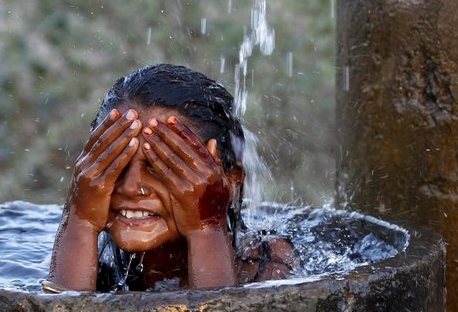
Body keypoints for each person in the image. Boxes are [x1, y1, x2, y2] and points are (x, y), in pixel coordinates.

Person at [45, 63, 296, 292]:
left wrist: (206, 228)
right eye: (115, 164)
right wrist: (79, 220)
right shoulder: (84, 258)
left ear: (229, 181)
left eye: (161, 167)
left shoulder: (264, 265)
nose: (131, 187)